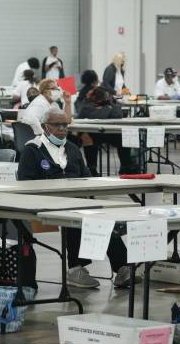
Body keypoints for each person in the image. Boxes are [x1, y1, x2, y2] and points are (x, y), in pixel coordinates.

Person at [17, 109, 134, 288]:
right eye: (58, 125)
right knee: (76, 217)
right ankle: (75, 268)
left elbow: (86, 176)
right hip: (45, 202)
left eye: (65, 125)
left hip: (76, 200)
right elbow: (25, 183)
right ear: (44, 127)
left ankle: (123, 268)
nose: (63, 129)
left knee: (102, 218)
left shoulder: (72, 148)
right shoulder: (32, 150)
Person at [77, 86, 137, 176]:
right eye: (105, 97)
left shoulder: (111, 104)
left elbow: (118, 115)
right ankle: (92, 168)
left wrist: (111, 105)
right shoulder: (87, 105)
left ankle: (126, 165)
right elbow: (99, 116)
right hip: (92, 134)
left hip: (109, 133)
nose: (107, 99)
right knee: (87, 138)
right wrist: (107, 108)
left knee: (123, 136)